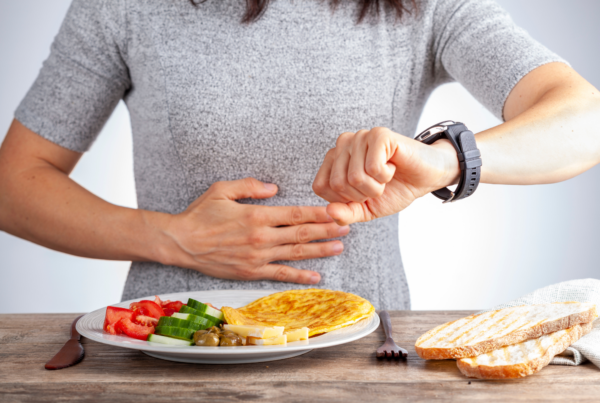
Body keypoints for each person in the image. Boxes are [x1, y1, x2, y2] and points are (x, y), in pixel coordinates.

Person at [0, 0, 598, 310]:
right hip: (171, 351)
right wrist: (171, 238)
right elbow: (15, 183)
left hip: (359, 360)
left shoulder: (425, 8)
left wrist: (445, 161)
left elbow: (583, 118)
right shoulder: (123, 8)